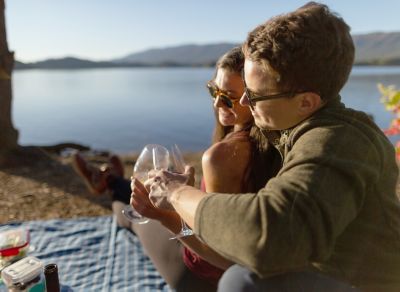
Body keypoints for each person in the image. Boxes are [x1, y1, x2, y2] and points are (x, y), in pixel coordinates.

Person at [141, 2, 400, 292]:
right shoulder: (296, 131)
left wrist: (176, 193)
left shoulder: (338, 140)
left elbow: (268, 236)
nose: (242, 104)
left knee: (242, 282)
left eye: (254, 95)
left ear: (306, 102)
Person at [72, 47, 279, 291]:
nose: (216, 102)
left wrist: (165, 213)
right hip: (231, 268)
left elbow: (217, 252)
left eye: (228, 97)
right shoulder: (275, 142)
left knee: (132, 213)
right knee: (140, 197)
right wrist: (188, 196)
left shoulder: (221, 157)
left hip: (200, 275)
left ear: (252, 96)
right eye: (214, 89)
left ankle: (108, 184)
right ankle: (112, 182)